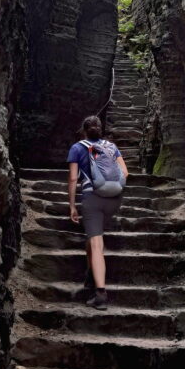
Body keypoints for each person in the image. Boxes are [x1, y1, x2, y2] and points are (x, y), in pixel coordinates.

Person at [67, 116, 128, 310]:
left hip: (92, 199)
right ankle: (90, 273)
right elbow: (125, 173)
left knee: (96, 244)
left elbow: (72, 178)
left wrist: (72, 205)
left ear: (84, 130)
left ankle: (100, 292)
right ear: (100, 129)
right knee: (93, 236)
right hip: (114, 200)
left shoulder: (77, 148)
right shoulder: (111, 146)